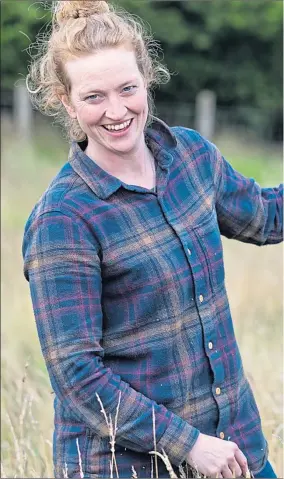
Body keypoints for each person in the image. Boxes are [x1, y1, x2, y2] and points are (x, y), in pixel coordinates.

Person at [22, 1, 283, 478]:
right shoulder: (63, 219)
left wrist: (211, 447)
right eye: (94, 96)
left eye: (128, 89)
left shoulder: (191, 157)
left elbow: (266, 217)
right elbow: (77, 377)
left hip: (235, 449)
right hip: (131, 466)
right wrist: (189, 445)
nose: (117, 111)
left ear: (147, 78)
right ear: (66, 100)